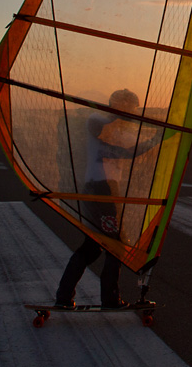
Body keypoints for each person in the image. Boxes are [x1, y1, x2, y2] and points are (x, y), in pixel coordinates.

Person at [54, 88, 159, 309]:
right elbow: (102, 131)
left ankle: (64, 297)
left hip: (107, 189)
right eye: (131, 108)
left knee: (93, 247)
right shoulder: (98, 119)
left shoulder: (120, 129)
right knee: (116, 246)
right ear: (119, 105)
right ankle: (110, 299)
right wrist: (118, 114)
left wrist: (157, 138)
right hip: (99, 188)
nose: (133, 113)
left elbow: (132, 150)